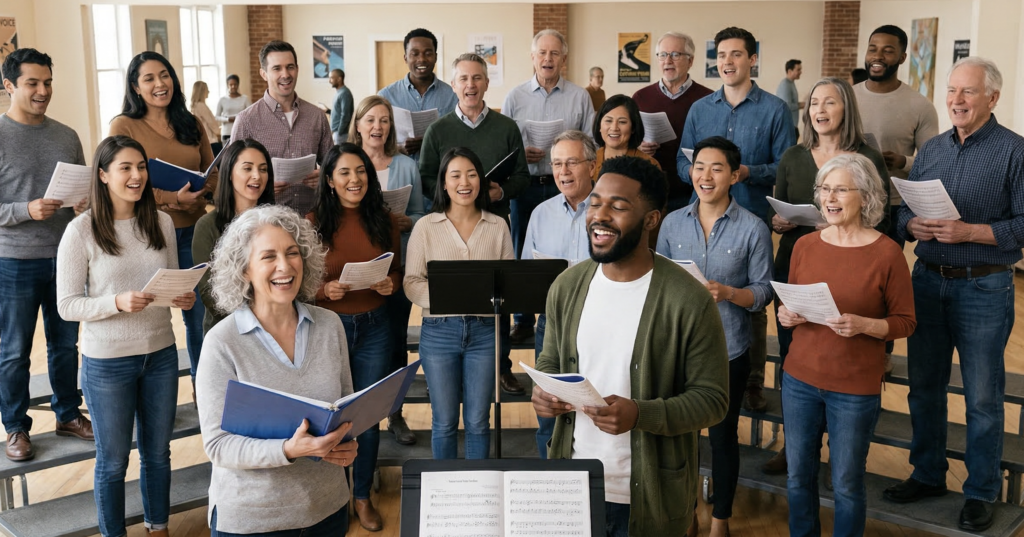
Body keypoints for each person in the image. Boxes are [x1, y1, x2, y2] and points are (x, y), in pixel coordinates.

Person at [533, 155, 729, 536]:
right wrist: (544, 393)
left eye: (618, 206)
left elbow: (712, 400)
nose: (599, 215)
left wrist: (641, 414)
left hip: (648, 497)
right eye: (595, 202)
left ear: (652, 219)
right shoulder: (567, 286)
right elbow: (550, 361)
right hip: (572, 488)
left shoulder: (688, 300)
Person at [886, 57, 1024, 533]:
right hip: (926, 280)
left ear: (992, 98)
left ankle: (981, 490)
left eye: (967, 92)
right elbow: (904, 210)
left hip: (984, 286)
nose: (956, 100)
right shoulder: (932, 150)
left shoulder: (1015, 151)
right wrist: (911, 224)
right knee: (924, 388)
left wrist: (972, 230)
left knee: (983, 398)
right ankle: (927, 474)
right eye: (952, 91)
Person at [57, 135, 196, 537]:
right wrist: (116, 302)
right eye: (125, 168)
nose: (136, 176)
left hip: (160, 355)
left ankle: (159, 528)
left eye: (141, 167)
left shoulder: (162, 221)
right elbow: (68, 305)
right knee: (114, 461)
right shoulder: (80, 231)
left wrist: (180, 297)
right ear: (103, 175)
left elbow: (167, 284)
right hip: (106, 362)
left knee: (157, 454)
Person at [196, 205, 358, 537]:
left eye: (292, 253)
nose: (284, 266)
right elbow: (218, 445)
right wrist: (288, 450)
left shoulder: (330, 326)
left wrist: (347, 443)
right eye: (268, 256)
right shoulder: (221, 342)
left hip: (328, 509)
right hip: (252, 520)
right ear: (244, 270)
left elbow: (345, 413)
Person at [779, 153, 915, 537]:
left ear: (867, 196)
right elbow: (789, 304)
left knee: (847, 484)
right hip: (799, 378)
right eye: (825, 189)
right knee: (797, 477)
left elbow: (906, 322)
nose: (830, 197)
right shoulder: (804, 245)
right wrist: (786, 316)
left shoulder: (887, 252)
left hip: (854, 387)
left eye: (840, 189)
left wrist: (865, 325)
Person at [763, 77, 890, 475]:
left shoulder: (867, 155)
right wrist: (781, 222)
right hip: (800, 260)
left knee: (845, 351)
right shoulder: (794, 156)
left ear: (845, 108)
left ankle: (843, 449)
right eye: (814, 102)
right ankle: (796, 445)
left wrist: (838, 223)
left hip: (852, 265)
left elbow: (880, 212)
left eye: (829, 102)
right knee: (794, 353)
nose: (819, 109)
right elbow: (777, 212)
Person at [657, 136, 773, 537]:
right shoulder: (672, 223)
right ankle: (684, 515)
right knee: (681, 439)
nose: (705, 176)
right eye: (699, 167)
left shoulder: (754, 228)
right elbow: (656, 282)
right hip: (678, 347)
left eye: (717, 168)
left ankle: (720, 521)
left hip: (729, 347)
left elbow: (762, 293)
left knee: (723, 439)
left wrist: (727, 292)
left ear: (735, 175)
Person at [677, 27, 795, 414]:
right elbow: (683, 161)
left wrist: (747, 172)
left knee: (752, 304)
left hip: (751, 220)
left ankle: (752, 381)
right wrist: (702, 177)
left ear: (752, 59)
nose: (727, 62)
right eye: (721, 56)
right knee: (697, 296)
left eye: (736, 55)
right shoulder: (700, 110)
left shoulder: (775, 109)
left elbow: (785, 166)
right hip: (702, 219)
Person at [0, 47, 93, 462]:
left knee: (64, 345)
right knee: (15, 350)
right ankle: (16, 427)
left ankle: (68, 414)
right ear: (9, 87)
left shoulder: (66, 135)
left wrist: (85, 202)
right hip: (13, 261)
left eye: (48, 82)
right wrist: (26, 210)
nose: (43, 91)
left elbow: (83, 193)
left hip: (66, 257)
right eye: (32, 83)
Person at [418, 53, 529, 395]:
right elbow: (425, 177)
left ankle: (501, 365)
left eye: (477, 78)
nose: (470, 84)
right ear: (453, 85)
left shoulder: (506, 127)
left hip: (494, 222)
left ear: (486, 83)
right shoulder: (438, 130)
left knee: (498, 293)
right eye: (463, 79)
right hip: (450, 227)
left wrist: (500, 190)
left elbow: (522, 176)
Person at [306, 143, 401, 531]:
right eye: (344, 172)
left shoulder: (383, 219)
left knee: (367, 417)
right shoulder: (313, 222)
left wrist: (388, 284)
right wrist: (323, 291)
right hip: (330, 328)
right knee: (328, 417)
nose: (354, 179)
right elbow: (302, 282)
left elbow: (398, 270)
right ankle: (332, 498)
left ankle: (361, 496)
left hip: (375, 327)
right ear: (329, 180)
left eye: (360, 171)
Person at [109, 51, 217, 383]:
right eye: (149, 78)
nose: (160, 84)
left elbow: (211, 173)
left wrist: (201, 194)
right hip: (150, 236)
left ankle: (205, 389)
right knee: (152, 320)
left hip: (194, 233)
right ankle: (153, 394)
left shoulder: (190, 121)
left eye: (165, 75)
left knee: (200, 316)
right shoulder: (123, 125)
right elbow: (122, 181)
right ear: (135, 87)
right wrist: (173, 199)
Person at [405, 147, 515, 460]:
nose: (464, 182)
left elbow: (510, 283)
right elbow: (411, 282)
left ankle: (478, 497)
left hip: (485, 332)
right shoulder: (426, 227)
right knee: (444, 422)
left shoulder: (498, 226)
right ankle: (447, 499)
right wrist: (447, 297)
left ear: (481, 180)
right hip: (439, 331)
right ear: (443, 183)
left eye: (471, 174)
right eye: (455, 175)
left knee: (479, 422)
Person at [502, 29, 596, 349]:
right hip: (527, 184)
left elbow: (591, 142)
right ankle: (524, 319)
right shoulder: (515, 97)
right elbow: (505, 147)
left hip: (570, 181)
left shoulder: (580, 96)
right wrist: (520, 153)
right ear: (532, 57)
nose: (547, 59)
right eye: (542, 53)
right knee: (526, 250)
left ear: (563, 59)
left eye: (554, 54)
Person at [350, 95, 426, 446]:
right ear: (358, 125)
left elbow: (422, 213)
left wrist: (406, 220)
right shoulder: (347, 162)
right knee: (358, 346)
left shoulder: (407, 165)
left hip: (395, 266)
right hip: (354, 268)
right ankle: (356, 418)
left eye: (383, 121)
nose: (377, 127)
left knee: (395, 343)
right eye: (370, 120)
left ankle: (394, 415)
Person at [521, 130, 597, 459]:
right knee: (549, 416)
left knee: (596, 413)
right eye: (556, 164)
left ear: (592, 166)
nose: (562, 171)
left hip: (600, 327)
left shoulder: (610, 210)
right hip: (552, 327)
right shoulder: (540, 214)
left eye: (571, 162)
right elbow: (527, 275)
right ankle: (551, 491)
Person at [853, 25, 939, 250]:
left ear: (902, 58)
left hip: (891, 206)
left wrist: (902, 161)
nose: (877, 56)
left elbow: (933, 164)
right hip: (847, 199)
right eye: (872, 49)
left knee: (883, 276)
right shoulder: (847, 97)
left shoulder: (921, 106)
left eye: (887, 51)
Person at [231, 40, 333, 215]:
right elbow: (232, 175)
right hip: (265, 220)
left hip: (313, 218)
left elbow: (332, 165)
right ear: (264, 74)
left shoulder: (317, 117)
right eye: (277, 68)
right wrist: (262, 186)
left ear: (297, 69)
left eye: (290, 67)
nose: (285, 74)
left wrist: (324, 176)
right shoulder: (246, 120)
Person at [193, 139, 275, 335]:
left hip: (276, 327)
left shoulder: (277, 222)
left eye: (263, 169)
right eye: (247, 168)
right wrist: (258, 317)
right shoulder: (207, 226)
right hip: (227, 331)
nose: (257, 176)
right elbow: (209, 293)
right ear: (229, 173)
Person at [633, 32, 714, 213]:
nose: (667, 60)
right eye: (663, 55)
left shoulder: (709, 98)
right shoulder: (640, 97)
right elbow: (630, 141)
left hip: (694, 191)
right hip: (651, 190)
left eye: (675, 55)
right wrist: (639, 146)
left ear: (690, 61)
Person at [378, 28, 459, 161]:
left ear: (436, 57)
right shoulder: (385, 96)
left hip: (440, 174)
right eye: (414, 54)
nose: (421, 59)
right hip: (400, 173)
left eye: (428, 53)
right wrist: (399, 148)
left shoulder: (453, 95)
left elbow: (459, 137)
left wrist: (431, 142)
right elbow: (375, 141)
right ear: (405, 58)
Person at [592, 94, 662, 181]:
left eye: (622, 122)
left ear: (633, 128)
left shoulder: (649, 165)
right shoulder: (588, 162)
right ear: (599, 125)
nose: (614, 128)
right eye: (608, 121)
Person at [216, 74, 250, 146]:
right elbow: (217, 117)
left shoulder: (244, 98)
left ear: (238, 85)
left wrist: (239, 118)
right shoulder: (223, 100)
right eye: (231, 84)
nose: (233, 87)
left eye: (235, 84)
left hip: (241, 131)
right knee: (227, 155)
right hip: (227, 131)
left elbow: (250, 114)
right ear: (227, 85)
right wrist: (228, 119)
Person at [191, 81, 222, 155]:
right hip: (211, 141)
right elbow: (213, 125)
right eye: (207, 89)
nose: (208, 91)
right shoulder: (201, 106)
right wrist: (219, 131)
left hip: (203, 141)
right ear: (202, 91)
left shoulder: (194, 106)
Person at [777, 59, 803, 138]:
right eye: (798, 70)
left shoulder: (791, 83)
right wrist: (803, 105)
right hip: (787, 127)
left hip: (791, 126)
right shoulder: (785, 85)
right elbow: (787, 106)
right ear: (789, 71)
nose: (800, 72)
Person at [329, 69, 353, 145]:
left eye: (331, 78)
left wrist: (339, 132)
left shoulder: (344, 93)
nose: (329, 81)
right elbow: (338, 112)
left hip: (341, 134)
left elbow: (345, 115)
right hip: (336, 133)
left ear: (339, 79)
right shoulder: (338, 93)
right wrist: (327, 110)